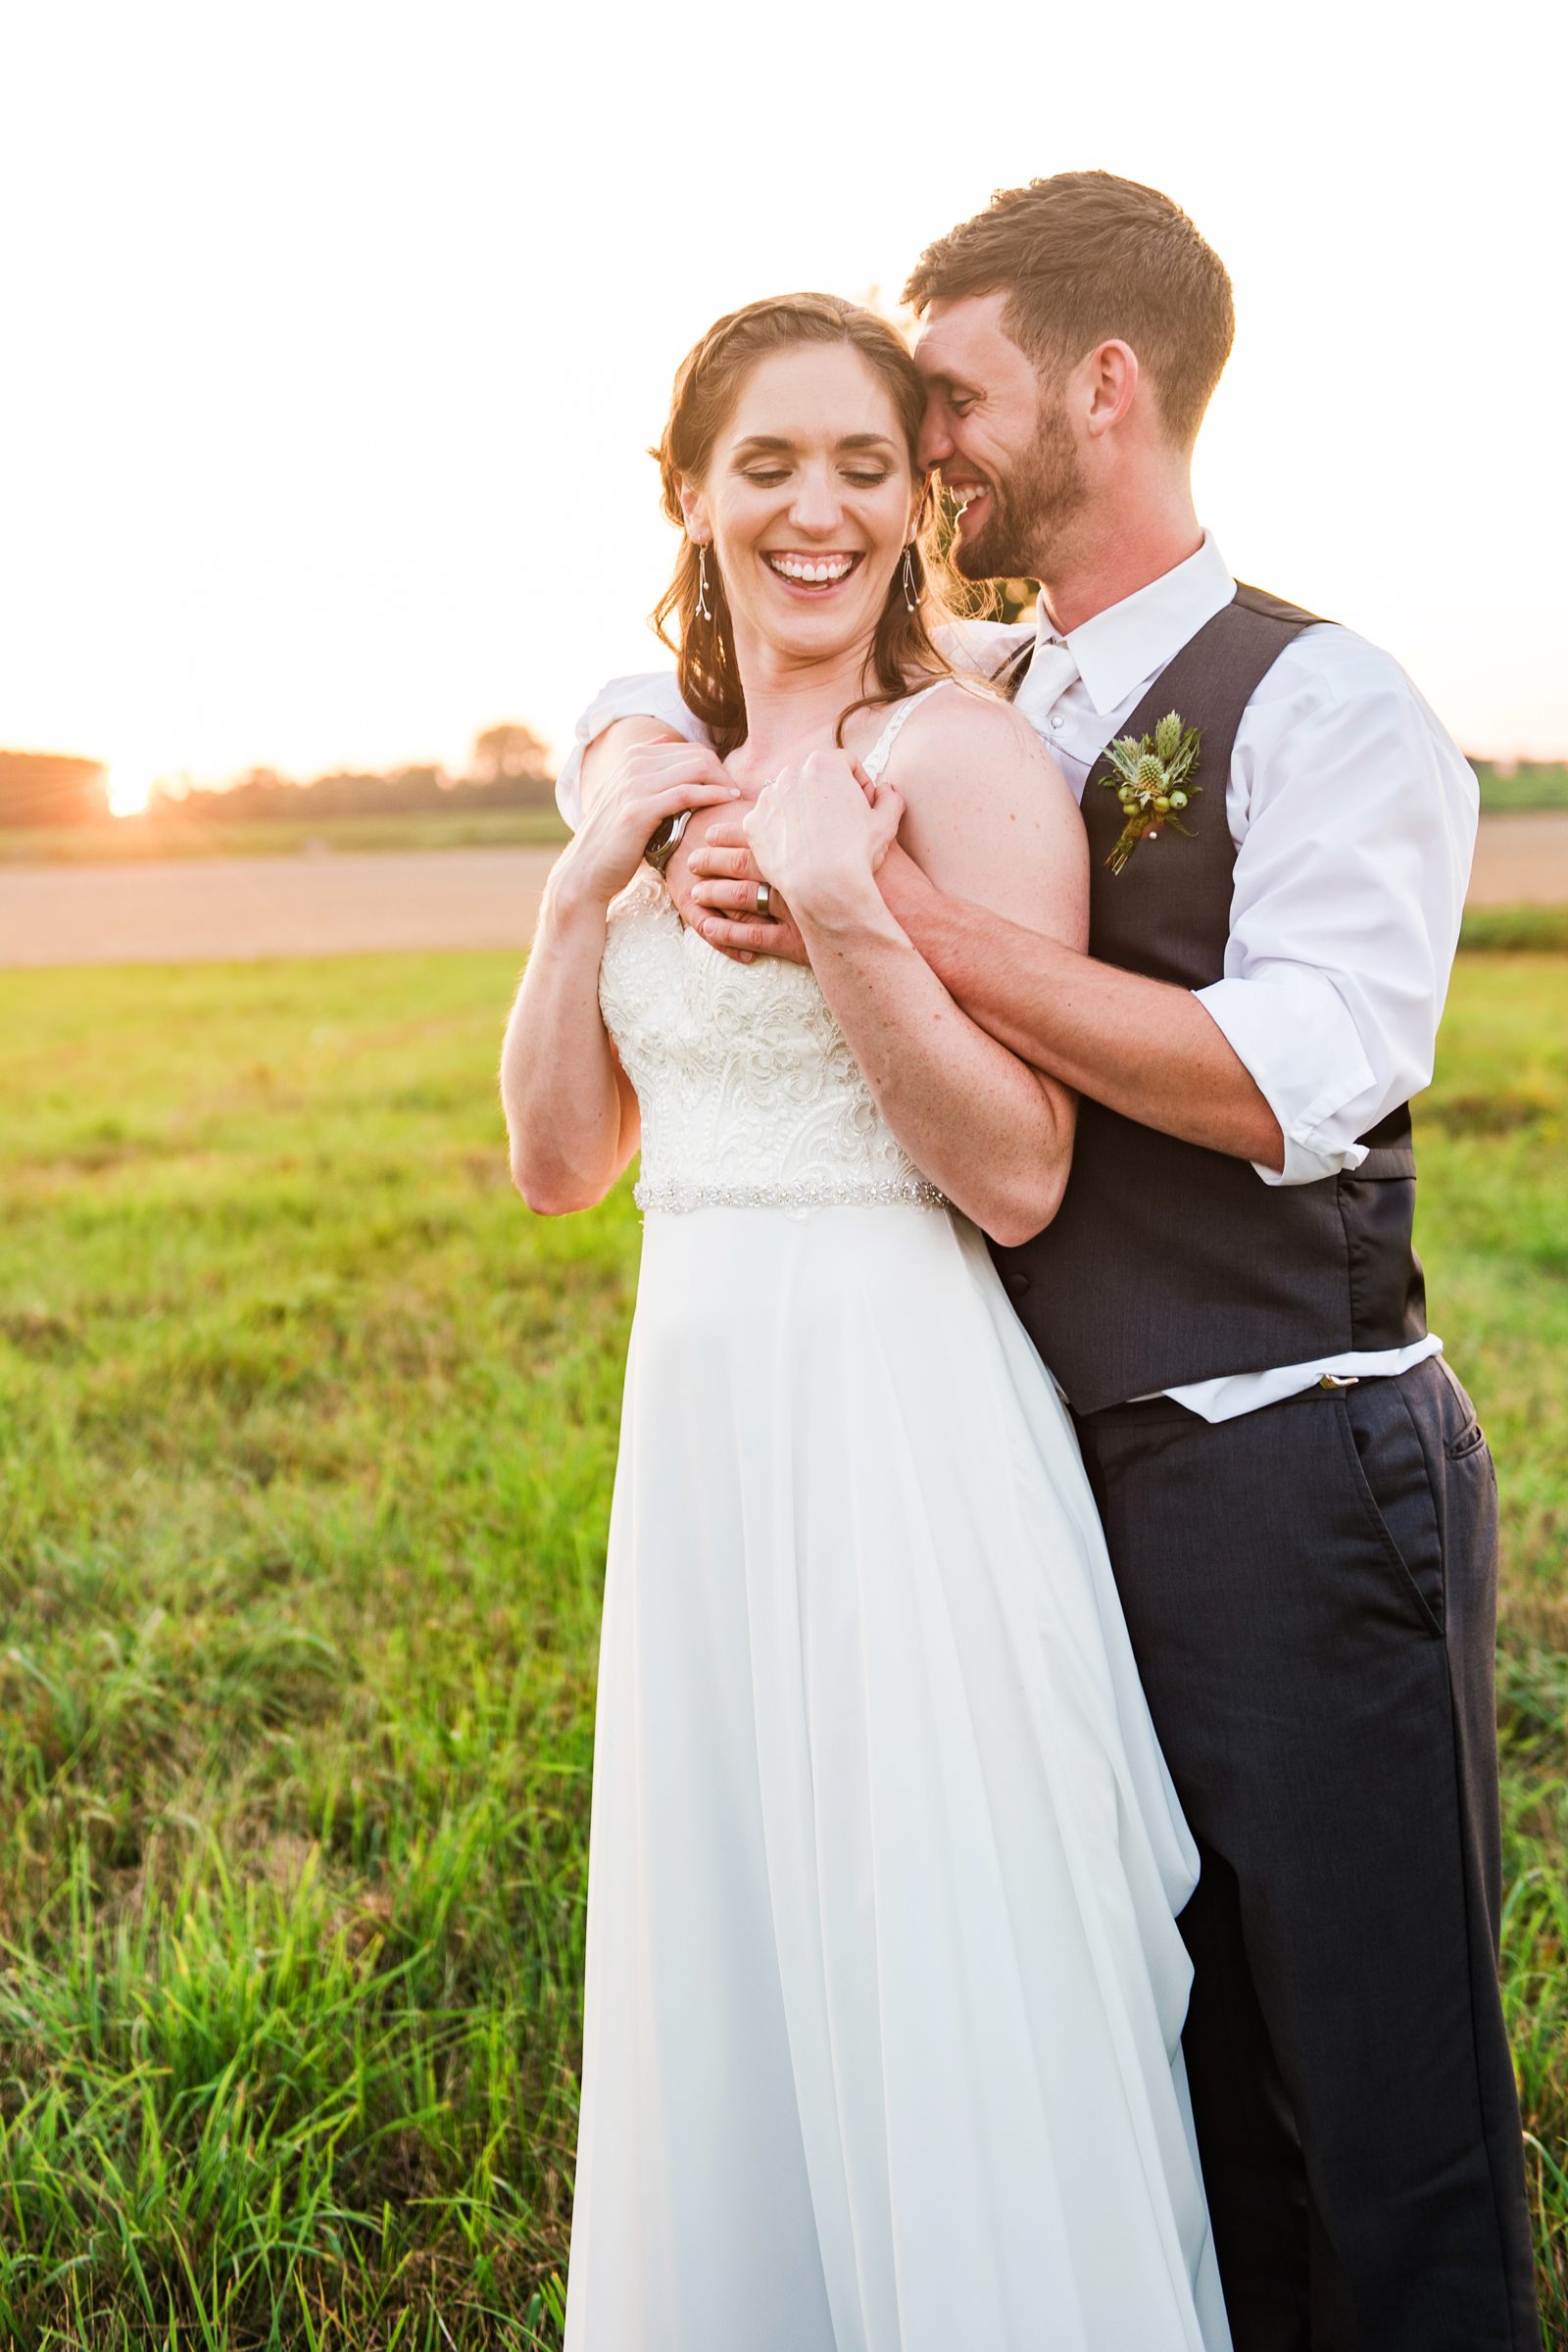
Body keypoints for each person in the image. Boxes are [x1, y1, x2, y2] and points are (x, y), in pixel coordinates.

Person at [555, 175, 1540, 2351]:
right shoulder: (1002, 675)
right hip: (1027, 1476)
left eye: (950, 404)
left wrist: (875, 913)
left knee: (1377, 2102)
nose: (924, 457)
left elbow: (1294, 1078)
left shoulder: (1327, 700)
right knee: (1150, 2055)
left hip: (1285, 1473)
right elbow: (702, 648)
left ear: (1106, 388)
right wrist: (639, 757)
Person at [503, 290, 1232, 2351]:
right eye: (765, 465)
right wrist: (582, 893)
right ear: (688, 494)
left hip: (899, 1423)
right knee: (728, 1949)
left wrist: (836, 899)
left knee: (933, 1948)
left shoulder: (963, 759)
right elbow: (566, 1166)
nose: (811, 510)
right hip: (703, 1427)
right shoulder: (649, 775)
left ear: (919, 500)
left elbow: (1014, 1173)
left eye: (859, 464)